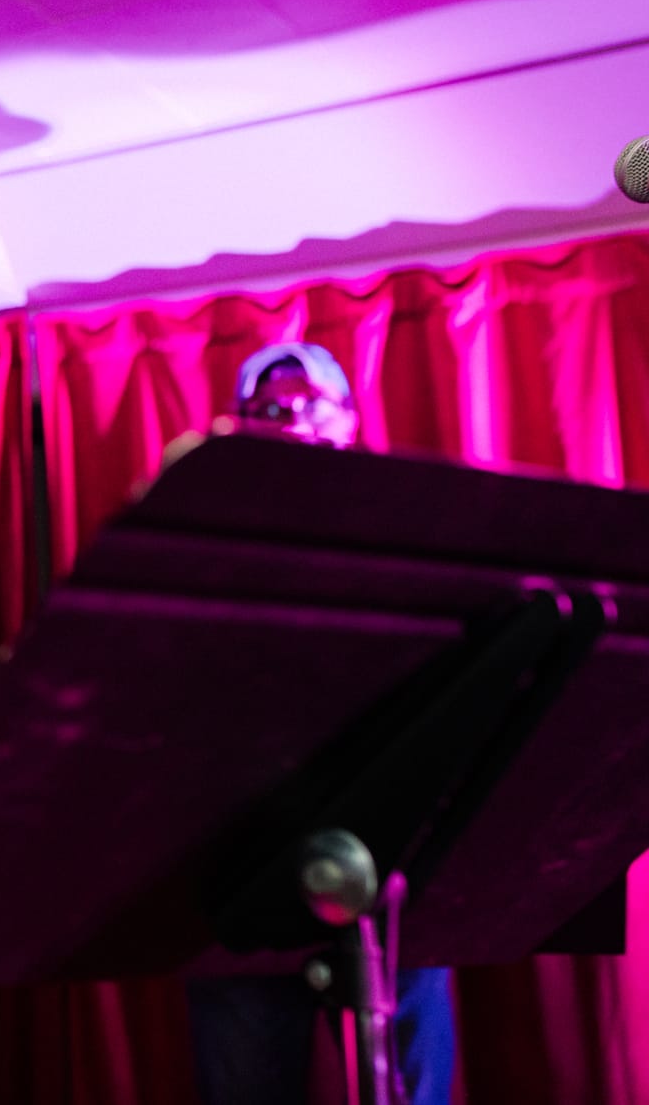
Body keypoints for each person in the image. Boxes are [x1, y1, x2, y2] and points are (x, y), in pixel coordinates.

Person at [186, 342, 458, 1105]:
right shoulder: (205, 544)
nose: (295, 419)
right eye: (272, 408)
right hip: (243, 867)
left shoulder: (402, 536)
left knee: (410, 1086)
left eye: (313, 403)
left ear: (350, 421)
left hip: (388, 858)